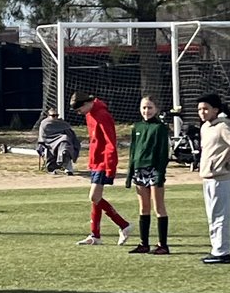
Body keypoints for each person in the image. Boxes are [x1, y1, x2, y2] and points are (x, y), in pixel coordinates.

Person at [69, 92, 131, 246]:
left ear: (86, 104)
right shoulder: (90, 114)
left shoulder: (102, 115)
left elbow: (111, 141)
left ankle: (123, 225)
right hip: (96, 161)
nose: (79, 113)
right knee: (96, 199)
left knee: (94, 197)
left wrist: (110, 165)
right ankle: (95, 235)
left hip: (103, 162)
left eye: (79, 110)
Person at [197, 93, 230, 265]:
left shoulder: (222, 127)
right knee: (212, 215)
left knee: (220, 216)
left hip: (220, 178)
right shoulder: (205, 128)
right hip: (207, 177)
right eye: (200, 109)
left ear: (215, 110)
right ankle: (216, 249)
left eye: (206, 109)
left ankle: (222, 252)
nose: (202, 112)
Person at [124, 94, 171, 254]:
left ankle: (162, 245)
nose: (146, 111)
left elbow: (163, 153)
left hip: (154, 170)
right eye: (144, 107)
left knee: (158, 207)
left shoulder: (160, 128)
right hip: (139, 170)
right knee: (143, 207)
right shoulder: (137, 127)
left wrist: (159, 173)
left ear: (156, 109)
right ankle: (144, 243)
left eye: (150, 107)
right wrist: (130, 173)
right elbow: (133, 151)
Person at [36, 108, 80, 174]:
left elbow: (70, 134)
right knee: (64, 141)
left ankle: (68, 169)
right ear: (48, 116)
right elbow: (43, 137)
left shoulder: (62, 123)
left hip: (62, 142)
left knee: (65, 145)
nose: (55, 117)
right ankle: (54, 167)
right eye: (53, 115)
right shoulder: (44, 124)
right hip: (49, 143)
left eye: (57, 115)